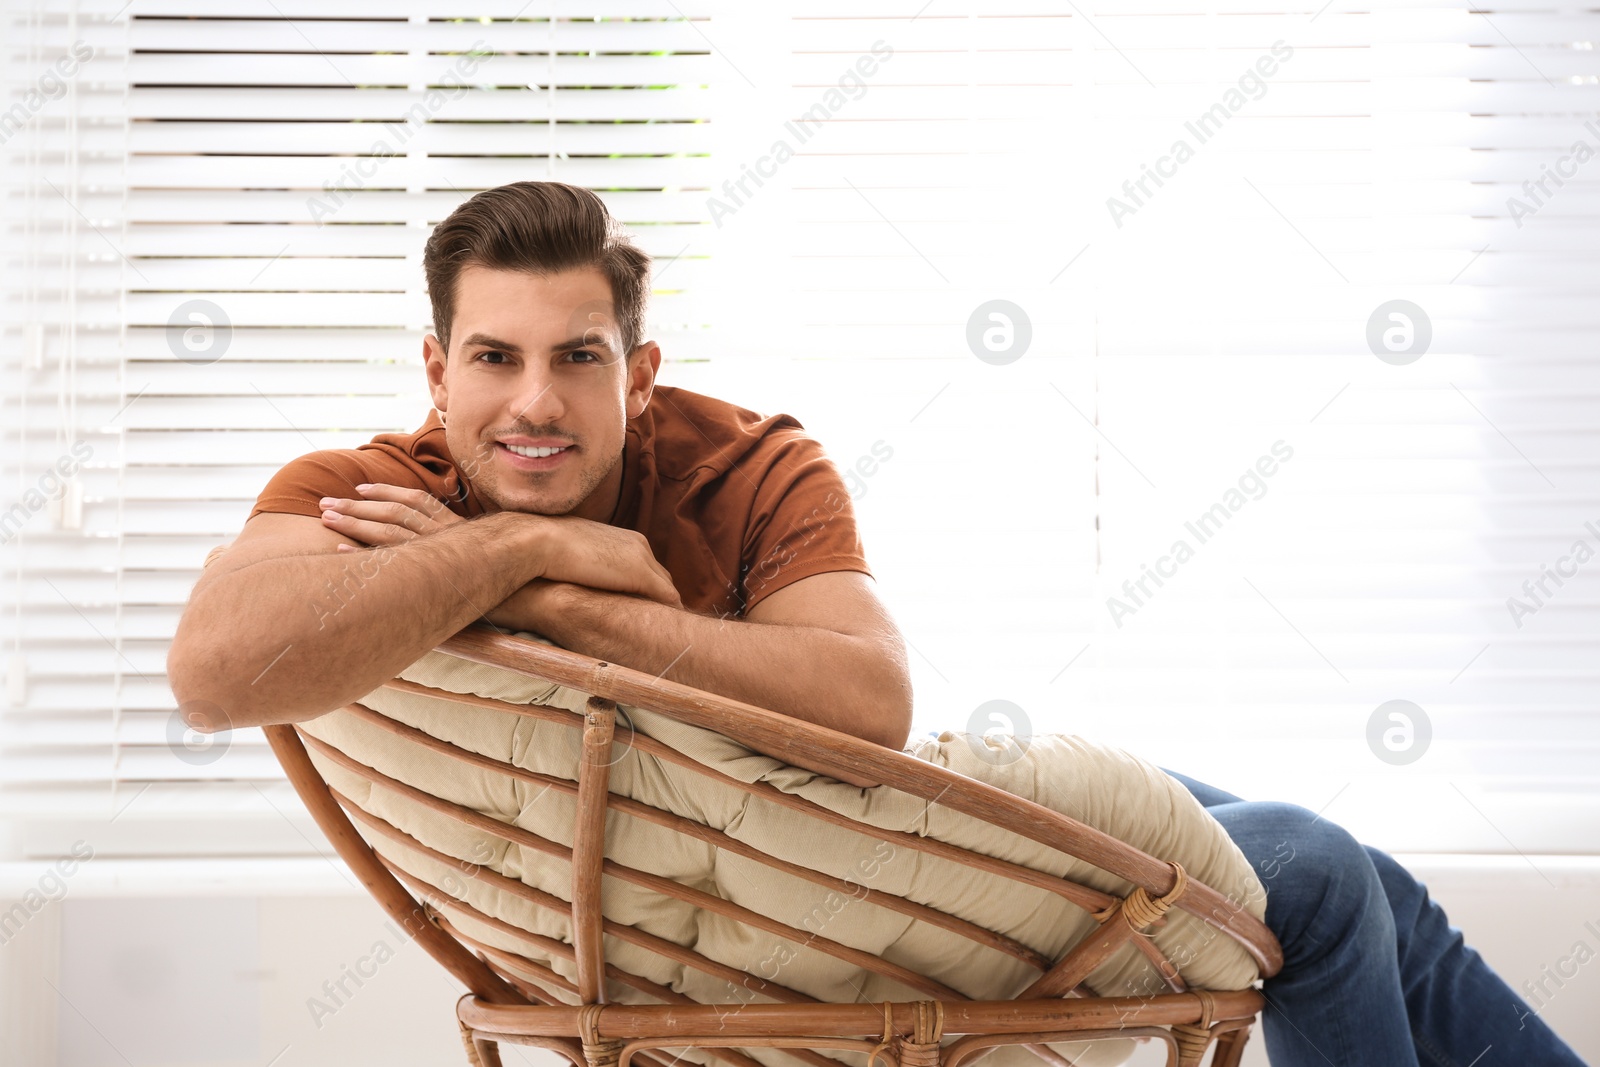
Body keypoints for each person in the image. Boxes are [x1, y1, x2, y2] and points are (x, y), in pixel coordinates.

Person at [169, 181, 1590, 1065]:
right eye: (492, 357)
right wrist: (551, 554)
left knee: (1374, 890)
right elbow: (218, 672)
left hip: (868, 831)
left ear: (640, 371)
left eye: (576, 358)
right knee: (1326, 884)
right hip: (843, 910)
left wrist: (525, 590)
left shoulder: (744, 460)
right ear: (435, 366)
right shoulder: (365, 495)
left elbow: (866, 700)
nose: (531, 403)